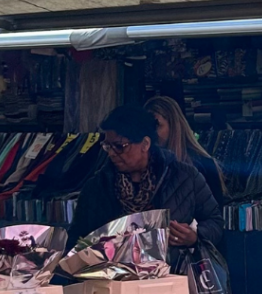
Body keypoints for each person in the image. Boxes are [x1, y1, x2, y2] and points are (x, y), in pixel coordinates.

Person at [67, 105, 224, 269]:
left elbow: (215, 222)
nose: (112, 153)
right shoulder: (97, 186)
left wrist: (194, 236)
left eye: (120, 146)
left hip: (175, 279)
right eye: (107, 146)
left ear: (145, 144)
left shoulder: (184, 177)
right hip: (115, 284)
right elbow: (76, 239)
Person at [145, 95, 228, 208]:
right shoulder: (143, 166)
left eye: (156, 125)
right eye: (146, 127)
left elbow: (215, 217)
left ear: (173, 125)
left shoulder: (203, 165)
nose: (151, 133)